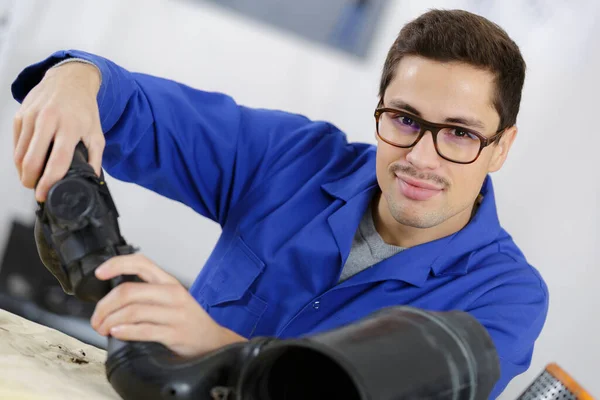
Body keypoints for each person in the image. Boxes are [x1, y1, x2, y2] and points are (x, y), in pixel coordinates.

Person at [10, 8, 548, 398]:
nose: (422, 158)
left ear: (501, 146)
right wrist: (75, 78)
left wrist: (219, 349)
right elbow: (136, 110)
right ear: (380, 110)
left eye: (459, 133)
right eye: (405, 120)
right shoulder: (294, 161)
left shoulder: (507, 299)